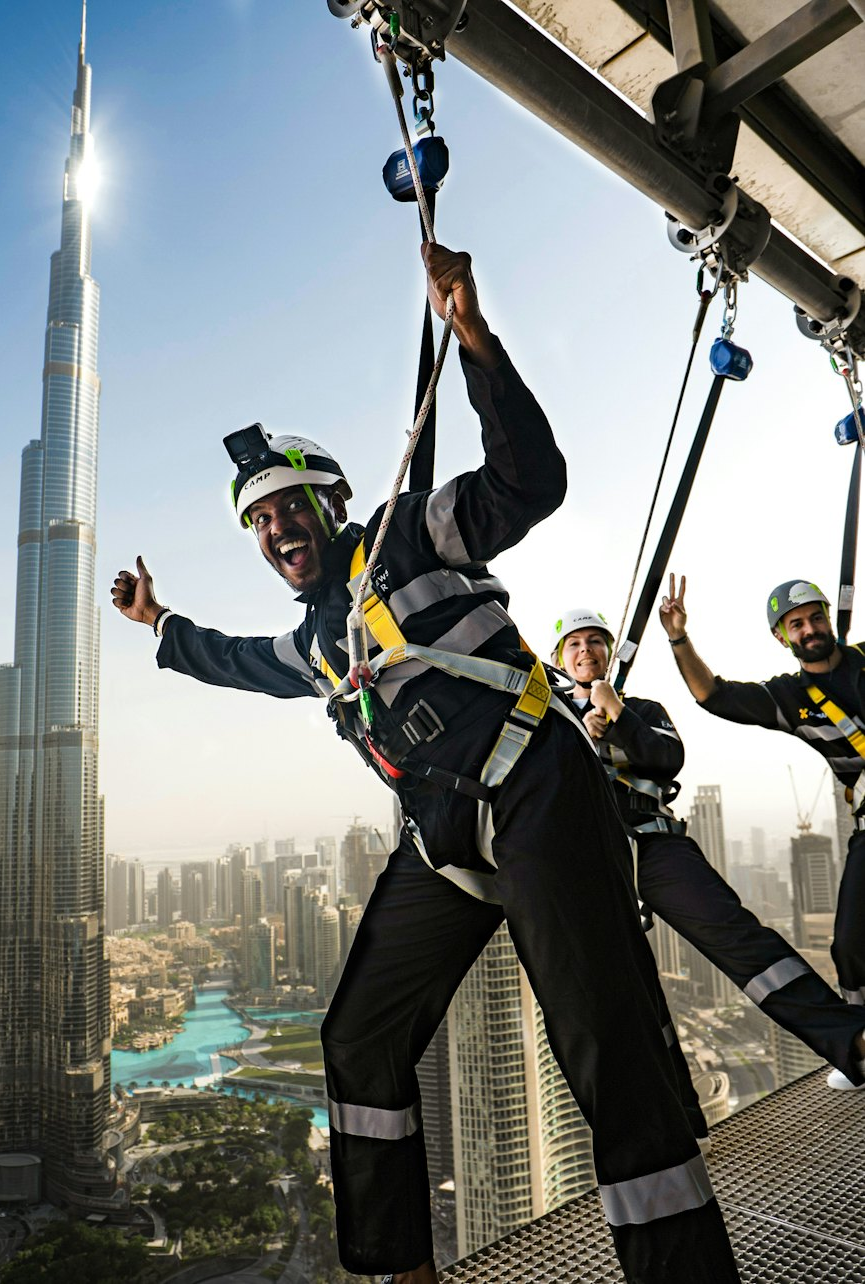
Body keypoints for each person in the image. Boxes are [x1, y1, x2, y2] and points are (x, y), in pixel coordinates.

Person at [112, 245, 738, 1284]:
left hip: (536, 790)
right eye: (257, 524)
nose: (274, 534)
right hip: (444, 841)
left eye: (285, 510)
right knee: (357, 1038)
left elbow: (528, 482)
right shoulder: (314, 646)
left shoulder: (410, 533)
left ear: (327, 503)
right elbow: (229, 660)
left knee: (605, 1056)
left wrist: (476, 342)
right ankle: (402, 1270)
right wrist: (158, 624)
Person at [556, 607, 865, 1091]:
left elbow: (666, 759)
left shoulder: (644, 711)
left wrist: (616, 715)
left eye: (595, 641)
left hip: (651, 842)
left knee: (739, 939)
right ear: (561, 659)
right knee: (607, 984)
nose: (586, 651)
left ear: (609, 651)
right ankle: (673, 1111)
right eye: (574, 644)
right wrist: (578, 730)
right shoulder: (548, 720)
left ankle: (853, 1041)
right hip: (581, 856)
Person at [660, 574, 865, 1089]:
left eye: (816, 617)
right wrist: (679, 638)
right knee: (851, 944)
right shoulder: (789, 697)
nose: (810, 628)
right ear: (782, 637)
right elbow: (712, 695)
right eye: (796, 624)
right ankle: (859, 1041)